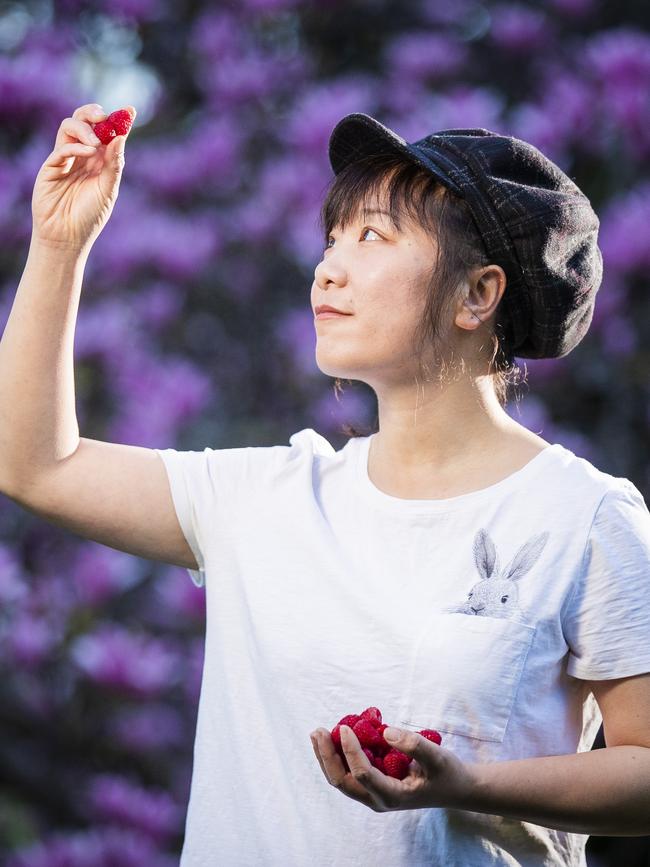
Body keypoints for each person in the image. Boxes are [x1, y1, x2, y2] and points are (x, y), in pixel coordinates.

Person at [1, 103, 649, 867]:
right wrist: (59, 242)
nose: (328, 267)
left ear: (478, 294)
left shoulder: (585, 515)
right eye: (332, 237)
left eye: (372, 235)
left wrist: (466, 783)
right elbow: (34, 464)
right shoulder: (261, 499)